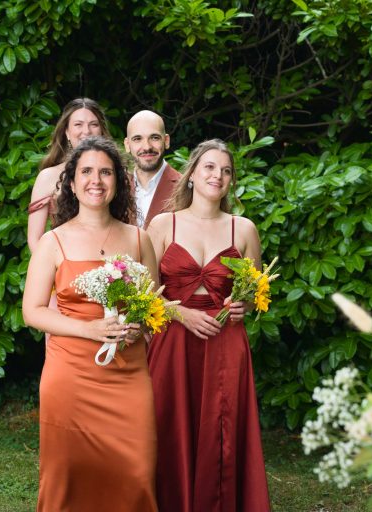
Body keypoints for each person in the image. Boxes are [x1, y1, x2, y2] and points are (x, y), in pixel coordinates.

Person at [23, 136, 158, 511]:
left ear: (118, 181)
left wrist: (139, 325)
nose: (95, 180)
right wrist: (89, 330)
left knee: (137, 475)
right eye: (86, 171)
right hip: (70, 377)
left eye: (105, 172)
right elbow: (32, 311)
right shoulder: (53, 242)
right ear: (70, 182)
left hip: (129, 376)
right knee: (69, 478)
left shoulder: (138, 239)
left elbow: (152, 308)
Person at [146, 139, 270, 511]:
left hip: (224, 342)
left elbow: (254, 290)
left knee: (225, 429)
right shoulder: (162, 224)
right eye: (210, 167)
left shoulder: (243, 229)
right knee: (169, 426)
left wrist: (243, 304)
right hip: (173, 342)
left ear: (231, 181)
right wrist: (179, 312)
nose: (218, 175)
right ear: (192, 175)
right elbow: (145, 293)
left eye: (226, 170)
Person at [27, 98, 110, 252]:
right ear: (66, 132)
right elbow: (34, 239)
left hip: (108, 261)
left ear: (101, 131)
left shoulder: (115, 174)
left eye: (94, 124)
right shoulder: (48, 177)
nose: (87, 131)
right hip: (62, 263)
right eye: (78, 124)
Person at [124, 110, 181, 229]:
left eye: (154, 138)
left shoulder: (186, 187)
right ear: (127, 145)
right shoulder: (116, 187)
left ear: (166, 141)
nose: (147, 147)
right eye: (137, 139)